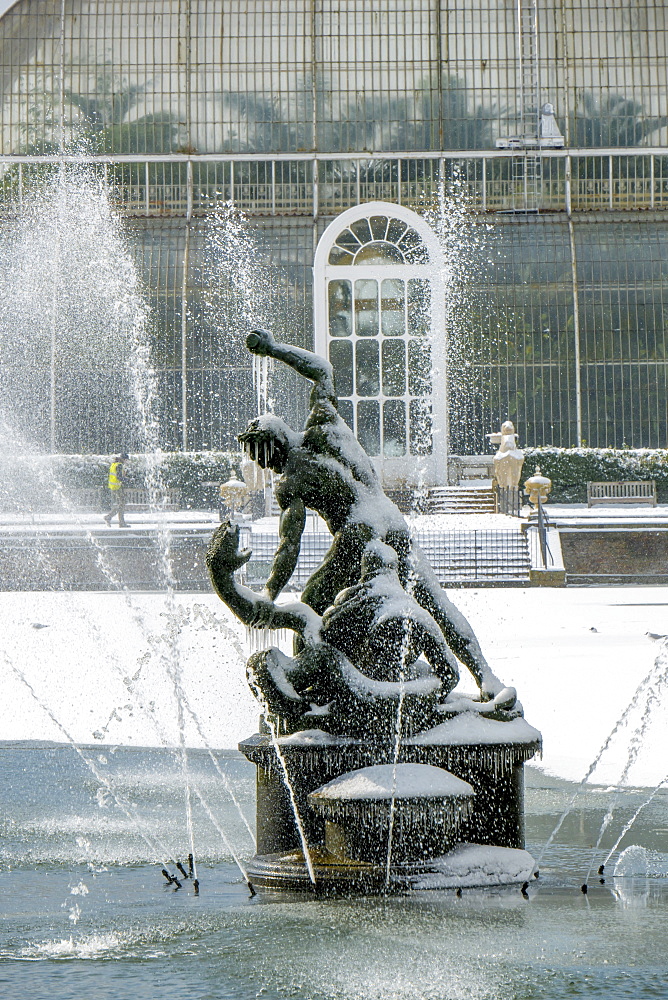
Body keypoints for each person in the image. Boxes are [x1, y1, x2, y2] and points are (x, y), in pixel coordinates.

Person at [237, 329, 509, 704]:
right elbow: (321, 370)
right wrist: (273, 349)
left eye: (263, 456)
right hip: (391, 520)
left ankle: (312, 692)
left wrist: (270, 592)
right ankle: (488, 679)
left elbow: (289, 545)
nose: (266, 466)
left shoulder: (290, 483)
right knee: (433, 600)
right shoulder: (324, 423)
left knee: (313, 601)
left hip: (358, 534)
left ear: (274, 445)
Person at [104, 453, 130, 527]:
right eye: (126, 460)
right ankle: (108, 517)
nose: (126, 462)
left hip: (113, 486)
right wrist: (127, 479)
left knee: (122, 503)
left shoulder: (114, 464)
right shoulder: (119, 465)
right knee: (122, 504)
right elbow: (119, 477)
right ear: (123, 459)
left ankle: (121, 523)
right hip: (117, 487)